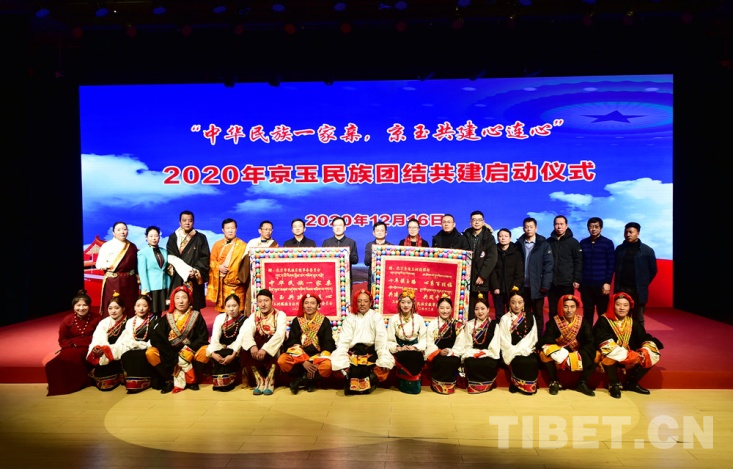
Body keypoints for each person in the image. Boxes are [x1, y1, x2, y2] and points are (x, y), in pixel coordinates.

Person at [593, 292, 663, 399]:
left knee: (651, 352)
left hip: (629, 356)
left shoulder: (632, 322)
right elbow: (601, 340)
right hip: (611, 356)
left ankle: (631, 382)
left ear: (630, 307)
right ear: (613, 306)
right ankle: (614, 384)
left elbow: (643, 337)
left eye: (625, 305)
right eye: (618, 305)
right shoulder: (604, 320)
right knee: (609, 354)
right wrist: (628, 355)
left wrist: (645, 349)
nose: (622, 308)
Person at [146, 285, 210, 394]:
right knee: (150, 353)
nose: (181, 301)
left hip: (189, 351)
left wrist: (188, 350)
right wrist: (169, 352)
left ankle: (190, 379)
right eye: (177, 298)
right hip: (169, 352)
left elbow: (203, 337)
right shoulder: (166, 318)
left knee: (206, 350)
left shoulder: (196, 316)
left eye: (184, 298)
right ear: (173, 301)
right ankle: (170, 379)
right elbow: (156, 338)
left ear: (189, 300)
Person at [331, 289, 394, 395]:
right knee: (337, 363)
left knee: (385, 365)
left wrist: (382, 355)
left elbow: (381, 340)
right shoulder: (350, 318)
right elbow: (344, 340)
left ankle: (370, 382)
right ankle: (353, 382)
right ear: (355, 303)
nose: (362, 304)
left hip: (370, 351)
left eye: (365, 301)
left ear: (370, 303)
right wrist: (341, 354)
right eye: (359, 301)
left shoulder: (376, 317)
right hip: (354, 352)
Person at [45, 290, 102, 396]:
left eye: (84, 305)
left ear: (89, 306)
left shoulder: (96, 318)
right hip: (71, 347)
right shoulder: (67, 319)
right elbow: (62, 339)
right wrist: (72, 345)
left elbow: (99, 336)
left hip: (88, 347)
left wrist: (80, 343)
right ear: (73, 306)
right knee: (52, 364)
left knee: (76, 359)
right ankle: (58, 386)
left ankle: (74, 384)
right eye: (78, 305)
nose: (81, 308)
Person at [538, 294, 596, 397]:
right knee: (543, 354)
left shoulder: (583, 322)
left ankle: (582, 383)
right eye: (566, 306)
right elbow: (547, 339)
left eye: (572, 307)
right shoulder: (553, 322)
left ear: (577, 308)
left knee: (597, 355)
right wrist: (561, 352)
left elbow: (589, 341)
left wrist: (578, 354)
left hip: (578, 353)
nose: (569, 310)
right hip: (559, 354)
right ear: (561, 307)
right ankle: (555, 381)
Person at [278, 292, 336, 394]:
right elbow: (293, 342)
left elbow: (328, 344)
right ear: (303, 305)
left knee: (328, 366)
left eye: (312, 303)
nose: (309, 306)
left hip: (317, 356)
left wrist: (317, 362)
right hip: (300, 357)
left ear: (318, 305)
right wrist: (303, 361)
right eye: (306, 303)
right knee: (282, 360)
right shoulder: (297, 321)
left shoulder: (324, 321)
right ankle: (309, 380)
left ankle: (303, 379)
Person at [241, 288, 288, 396]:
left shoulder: (280, 315)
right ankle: (260, 380)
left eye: (266, 301)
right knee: (246, 348)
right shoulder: (254, 316)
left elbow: (279, 335)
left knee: (276, 347)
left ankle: (270, 381)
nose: (263, 304)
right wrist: (252, 346)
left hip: (273, 346)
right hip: (258, 347)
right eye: (260, 301)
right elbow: (247, 332)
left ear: (272, 301)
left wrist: (265, 349)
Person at [613, 222, 658, 329]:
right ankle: (623, 337)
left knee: (638, 317)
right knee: (621, 317)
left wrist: (643, 283)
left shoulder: (647, 250)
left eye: (631, 232)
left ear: (638, 233)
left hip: (638, 290)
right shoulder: (619, 249)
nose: (628, 234)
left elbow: (653, 270)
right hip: (622, 289)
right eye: (626, 232)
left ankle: (639, 337)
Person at [515, 217, 553, 337]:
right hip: (522, 286)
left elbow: (548, 266)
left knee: (538, 314)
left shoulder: (544, 245)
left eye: (531, 227)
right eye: (526, 227)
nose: (529, 229)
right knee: (524, 314)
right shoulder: (518, 244)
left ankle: (538, 338)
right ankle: (525, 337)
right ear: (523, 229)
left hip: (537, 286)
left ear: (536, 228)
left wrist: (545, 285)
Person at [166, 210, 210, 311]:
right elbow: (171, 257)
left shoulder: (201, 238)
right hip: (178, 276)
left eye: (190, 220)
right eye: (184, 220)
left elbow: (204, 257)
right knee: (178, 306)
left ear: (193, 222)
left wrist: (195, 271)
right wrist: (184, 271)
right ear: (180, 222)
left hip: (194, 276)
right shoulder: (173, 237)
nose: (187, 223)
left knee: (194, 307)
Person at [498, 288, 539, 395]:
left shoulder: (530, 317)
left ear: (524, 303)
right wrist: (515, 350)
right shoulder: (504, 318)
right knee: (519, 360)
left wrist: (524, 349)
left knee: (532, 361)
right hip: (511, 350)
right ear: (509, 303)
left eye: (520, 302)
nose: (517, 305)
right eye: (513, 302)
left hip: (527, 349)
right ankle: (515, 384)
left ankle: (530, 386)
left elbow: (533, 337)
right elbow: (503, 339)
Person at [387, 288, 428, 394]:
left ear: (413, 304)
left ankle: (415, 384)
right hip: (401, 349)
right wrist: (398, 348)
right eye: (403, 302)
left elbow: (424, 339)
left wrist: (415, 347)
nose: (406, 305)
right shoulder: (393, 319)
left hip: (415, 349)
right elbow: (389, 339)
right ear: (399, 303)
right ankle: (404, 384)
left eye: (409, 302)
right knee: (405, 356)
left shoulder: (419, 319)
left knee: (416, 357)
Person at [95, 221, 139, 315]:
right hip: (114, 281)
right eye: (118, 230)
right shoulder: (107, 245)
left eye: (124, 229)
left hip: (130, 282)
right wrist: (109, 265)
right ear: (113, 232)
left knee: (130, 306)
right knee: (115, 306)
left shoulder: (132, 246)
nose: (122, 232)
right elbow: (99, 264)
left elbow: (136, 265)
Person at [424, 295, 466, 394]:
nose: (445, 311)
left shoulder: (457, 325)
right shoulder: (432, 325)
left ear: (451, 309)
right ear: (437, 309)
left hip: (452, 353)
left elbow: (460, 344)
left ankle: (450, 386)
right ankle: (437, 385)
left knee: (452, 361)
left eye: (447, 308)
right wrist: (439, 352)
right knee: (440, 361)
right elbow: (429, 342)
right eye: (442, 308)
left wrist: (451, 352)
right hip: (437, 353)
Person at [117, 294, 158, 393]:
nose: (141, 309)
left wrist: (144, 346)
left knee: (142, 355)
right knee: (127, 355)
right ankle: (132, 382)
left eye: (144, 306)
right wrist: (136, 345)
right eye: (138, 306)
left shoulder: (155, 320)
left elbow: (155, 338)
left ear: (149, 307)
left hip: (148, 347)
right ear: (134, 307)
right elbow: (128, 338)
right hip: (133, 347)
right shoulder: (130, 321)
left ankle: (145, 380)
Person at [461, 294, 502, 394]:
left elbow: (495, 345)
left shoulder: (494, 325)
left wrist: (484, 353)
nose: (480, 312)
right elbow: (467, 345)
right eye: (477, 309)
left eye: (483, 308)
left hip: (488, 354)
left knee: (489, 363)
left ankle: (486, 385)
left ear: (488, 309)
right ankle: (473, 386)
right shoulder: (469, 324)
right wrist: (474, 353)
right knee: (471, 362)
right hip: (472, 353)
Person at [86, 293, 128, 391]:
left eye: (116, 308)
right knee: (102, 369)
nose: (113, 311)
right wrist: (98, 348)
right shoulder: (104, 322)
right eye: (110, 308)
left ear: (123, 308)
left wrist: (108, 350)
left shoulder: (129, 322)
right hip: (105, 352)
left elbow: (126, 342)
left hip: (119, 351)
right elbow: (98, 338)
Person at [207, 218, 248, 313]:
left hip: (238, 286)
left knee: (239, 314)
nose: (230, 230)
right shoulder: (217, 245)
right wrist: (218, 267)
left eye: (232, 228)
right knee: (223, 314)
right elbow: (211, 261)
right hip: (222, 286)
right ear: (223, 230)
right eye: (228, 228)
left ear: (236, 229)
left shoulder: (243, 246)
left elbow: (246, 266)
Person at [579, 217, 615, 326]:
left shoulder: (607, 243)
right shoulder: (583, 243)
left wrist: (607, 282)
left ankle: (602, 334)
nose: (593, 229)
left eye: (596, 227)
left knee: (603, 313)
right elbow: (580, 263)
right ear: (588, 228)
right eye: (591, 227)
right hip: (586, 285)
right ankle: (588, 334)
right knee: (587, 312)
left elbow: (611, 264)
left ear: (601, 228)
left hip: (601, 285)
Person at [207, 293, 245, 392]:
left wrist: (233, 355)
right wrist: (213, 353)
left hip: (235, 349)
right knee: (219, 353)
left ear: (239, 306)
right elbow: (215, 337)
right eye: (228, 306)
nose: (231, 309)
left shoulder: (244, 320)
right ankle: (218, 383)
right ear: (225, 307)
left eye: (234, 306)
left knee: (227, 353)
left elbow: (240, 340)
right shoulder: (220, 318)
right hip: (221, 346)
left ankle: (227, 383)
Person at [462, 210, 498, 319]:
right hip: (466, 280)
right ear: (470, 222)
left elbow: (492, 258)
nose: (477, 222)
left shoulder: (489, 238)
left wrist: (482, 275)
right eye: (474, 220)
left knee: (481, 309)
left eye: (479, 220)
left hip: (482, 280)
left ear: (483, 222)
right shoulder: (465, 236)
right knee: (467, 310)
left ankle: (482, 328)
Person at [547, 215, 583, 319]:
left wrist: (576, 279)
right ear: (554, 225)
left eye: (561, 224)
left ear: (566, 226)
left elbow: (578, 262)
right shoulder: (548, 242)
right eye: (557, 224)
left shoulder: (573, 242)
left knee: (567, 310)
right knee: (553, 310)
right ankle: (553, 329)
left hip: (567, 283)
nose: (559, 227)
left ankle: (567, 329)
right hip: (551, 283)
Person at [489, 228, 524, 322]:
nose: (503, 238)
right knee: (499, 315)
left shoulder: (516, 253)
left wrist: (515, 287)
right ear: (498, 238)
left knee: (513, 314)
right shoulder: (494, 252)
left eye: (505, 236)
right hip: (498, 289)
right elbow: (492, 271)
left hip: (512, 289)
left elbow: (519, 272)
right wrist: (495, 287)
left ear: (510, 238)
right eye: (500, 236)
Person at [243, 220, 279, 313]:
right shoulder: (252, 242)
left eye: (270, 229)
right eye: (266, 229)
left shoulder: (274, 244)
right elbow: (245, 260)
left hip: (269, 277)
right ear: (260, 230)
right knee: (252, 299)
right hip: (254, 277)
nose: (268, 231)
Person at [137, 226, 171, 316]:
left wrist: (168, 286)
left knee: (160, 311)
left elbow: (166, 270)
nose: (154, 238)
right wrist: (146, 289)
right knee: (151, 311)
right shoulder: (143, 253)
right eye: (151, 236)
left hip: (163, 286)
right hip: (151, 287)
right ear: (146, 238)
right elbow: (142, 272)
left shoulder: (164, 251)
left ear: (159, 237)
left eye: (156, 236)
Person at [364, 221, 393, 294]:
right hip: (372, 280)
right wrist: (376, 252)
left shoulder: (391, 246)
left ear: (386, 233)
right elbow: (366, 262)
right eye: (377, 230)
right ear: (373, 233)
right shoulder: (369, 245)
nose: (379, 232)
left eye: (382, 230)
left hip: (387, 279)